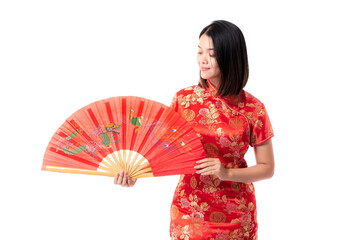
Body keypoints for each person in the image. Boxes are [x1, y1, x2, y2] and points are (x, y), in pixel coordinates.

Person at [114, 20, 275, 240]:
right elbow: (162, 151)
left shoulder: (253, 108)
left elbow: (267, 168)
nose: (203, 59)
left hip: (237, 215)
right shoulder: (183, 100)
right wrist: (134, 174)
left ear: (231, 56)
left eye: (211, 53)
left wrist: (226, 173)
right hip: (190, 209)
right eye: (199, 51)